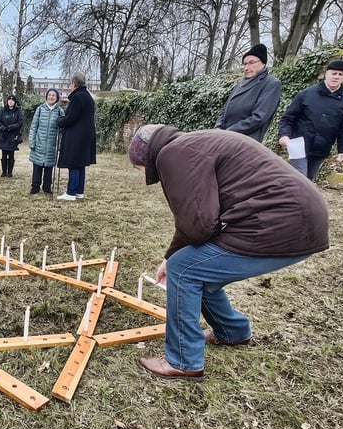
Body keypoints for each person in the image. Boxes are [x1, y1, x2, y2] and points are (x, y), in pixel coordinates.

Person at [127, 126, 329, 380]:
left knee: (185, 269)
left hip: (281, 222)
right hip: (301, 219)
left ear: (145, 157)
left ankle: (182, 359)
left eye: (139, 168)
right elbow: (197, 218)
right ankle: (231, 331)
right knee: (196, 267)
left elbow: (198, 225)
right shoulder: (192, 144)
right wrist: (169, 257)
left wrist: (175, 262)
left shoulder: (172, 154)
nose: (143, 175)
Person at [277, 59, 343, 180]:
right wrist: (284, 135)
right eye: (333, 73)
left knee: (308, 180)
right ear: (326, 74)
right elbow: (288, 118)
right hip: (299, 144)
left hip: (322, 147)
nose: (336, 77)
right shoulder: (306, 94)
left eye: (341, 74)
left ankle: (300, 198)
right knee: (298, 178)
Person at [215, 43, 283, 142]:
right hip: (225, 138)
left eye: (251, 63)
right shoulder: (240, 84)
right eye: (245, 64)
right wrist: (218, 129)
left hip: (245, 142)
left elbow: (259, 118)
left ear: (263, 63)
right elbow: (224, 111)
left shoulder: (271, 84)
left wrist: (229, 132)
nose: (246, 68)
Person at [55, 72, 96, 200]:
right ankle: (79, 191)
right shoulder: (88, 96)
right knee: (80, 163)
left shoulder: (77, 97)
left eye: (70, 83)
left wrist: (60, 121)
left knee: (73, 162)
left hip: (76, 135)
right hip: (86, 135)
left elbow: (72, 118)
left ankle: (71, 192)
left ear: (74, 83)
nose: (70, 86)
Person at [28, 88, 64, 195]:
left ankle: (47, 187)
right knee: (37, 166)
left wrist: (60, 144)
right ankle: (35, 187)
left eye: (53, 95)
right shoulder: (40, 109)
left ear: (57, 98)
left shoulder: (59, 111)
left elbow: (62, 130)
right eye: (49, 95)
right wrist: (32, 141)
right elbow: (34, 127)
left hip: (52, 144)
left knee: (49, 167)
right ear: (46, 96)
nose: (51, 97)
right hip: (40, 142)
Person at [0, 94, 23, 178]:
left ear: (15, 102)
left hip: (13, 136)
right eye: (9, 100)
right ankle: (4, 172)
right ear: (7, 101)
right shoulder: (2, 110)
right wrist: (3, 128)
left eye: (12, 100)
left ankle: (10, 172)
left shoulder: (18, 111)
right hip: (3, 136)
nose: (11, 102)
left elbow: (20, 122)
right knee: (3, 155)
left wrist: (11, 127)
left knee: (11, 155)